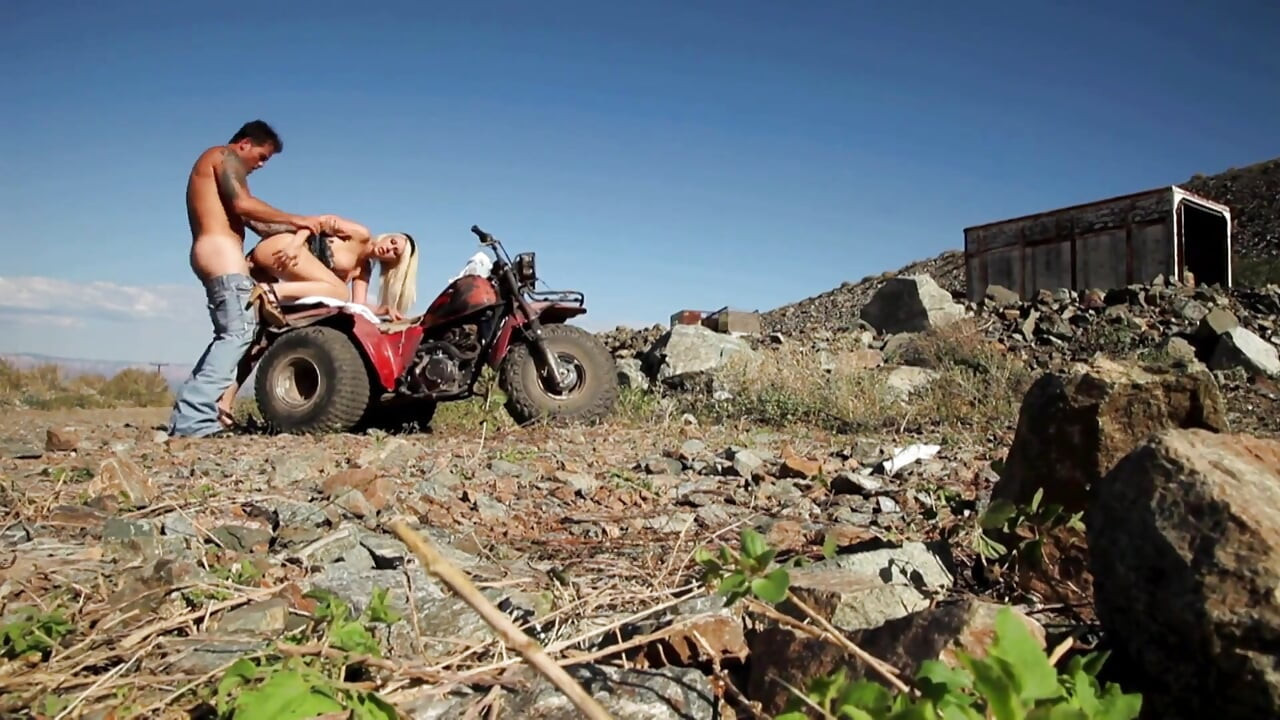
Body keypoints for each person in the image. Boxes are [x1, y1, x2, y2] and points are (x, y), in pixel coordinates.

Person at [168, 120, 331, 438]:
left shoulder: (221, 176)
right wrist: (298, 218)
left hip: (214, 255)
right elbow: (245, 204)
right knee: (237, 335)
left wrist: (301, 234)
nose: (260, 165)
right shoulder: (222, 155)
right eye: (262, 156)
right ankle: (194, 421)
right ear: (244, 143)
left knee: (231, 335)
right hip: (221, 256)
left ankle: (192, 415)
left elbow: (255, 222)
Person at [246, 216, 419, 323]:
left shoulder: (363, 269)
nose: (389, 248)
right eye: (393, 242)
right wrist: (295, 244)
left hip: (275, 268)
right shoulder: (360, 234)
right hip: (283, 248)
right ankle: (271, 292)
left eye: (395, 253)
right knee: (341, 292)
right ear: (388, 236)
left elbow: (358, 307)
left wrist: (384, 310)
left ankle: (271, 293)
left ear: (392, 263)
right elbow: (317, 222)